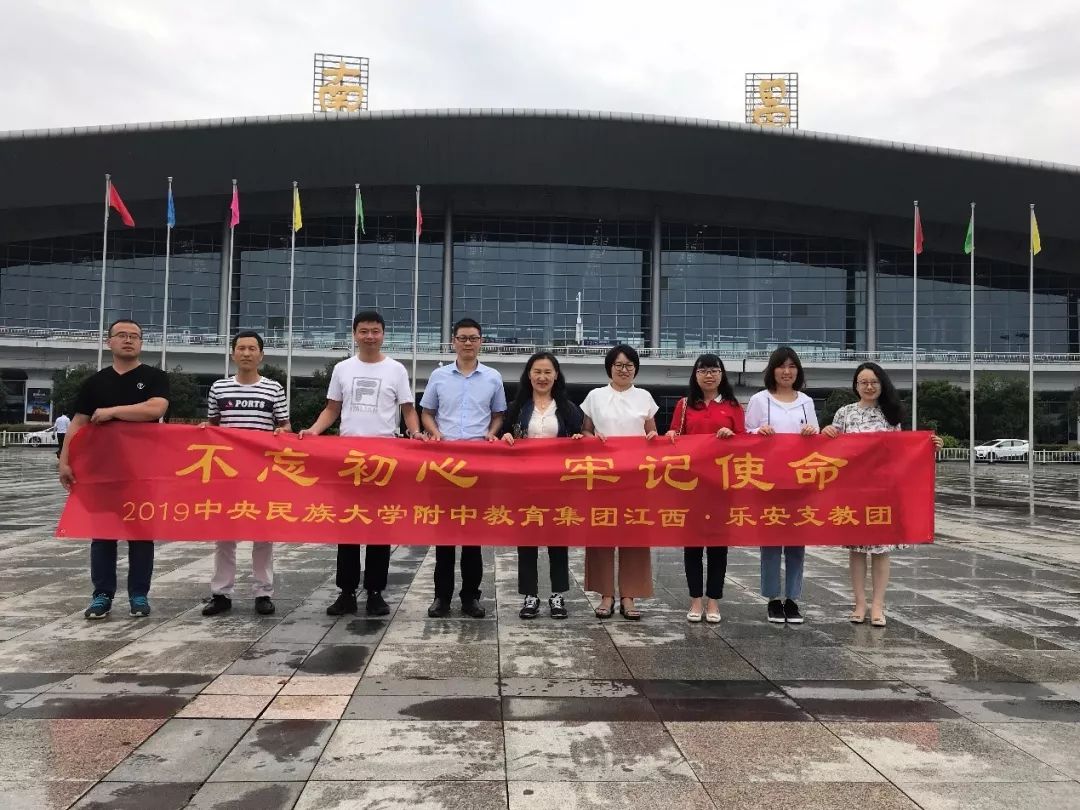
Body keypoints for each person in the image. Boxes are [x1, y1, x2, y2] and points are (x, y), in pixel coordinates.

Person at [301, 310, 426, 617]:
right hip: (349, 459)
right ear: (355, 334)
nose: (370, 336)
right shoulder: (343, 369)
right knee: (348, 526)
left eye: (375, 331)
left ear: (383, 334)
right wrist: (314, 431)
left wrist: (415, 433)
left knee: (379, 527)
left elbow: (408, 409)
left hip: (384, 458)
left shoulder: (396, 369)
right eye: (364, 331)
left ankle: (375, 592)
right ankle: (346, 592)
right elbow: (332, 409)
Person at [59, 319, 170, 620]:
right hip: (102, 470)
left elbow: (155, 409)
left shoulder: (155, 377)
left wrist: (112, 412)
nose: (128, 340)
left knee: (141, 533)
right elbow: (78, 423)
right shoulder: (95, 383)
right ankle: (102, 594)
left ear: (141, 343)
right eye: (122, 335)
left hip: (142, 470)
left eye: (135, 336)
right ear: (109, 342)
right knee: (103, 534)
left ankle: (139, 594)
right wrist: (64, 461)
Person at [822, 362, 943, 627]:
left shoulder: (891, 414)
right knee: (856, 550)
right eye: (863, 382)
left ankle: (877, 605)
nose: (869, 387)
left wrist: (928, 447)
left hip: (883, 491)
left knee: (880, 550)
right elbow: (830, 449)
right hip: (853, 491)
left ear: (882, 384)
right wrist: (826, 432)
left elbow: (902, 451)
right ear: (856, 386)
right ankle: (859, 603)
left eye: (874, 382)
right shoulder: (845, 413)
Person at [420, 317, 506, 618]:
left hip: (477, 463)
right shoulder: (439, 376)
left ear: (481, 341)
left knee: (473, 536)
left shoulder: (493, 377)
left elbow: (498, 414)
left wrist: (492, 433)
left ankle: (471, 597)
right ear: (453, 341)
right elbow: (427, 412)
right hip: (444, 464)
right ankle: (441, 597)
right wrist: (435, 433)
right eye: (462, 338)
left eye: (473, 338)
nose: (468, 343)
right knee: (443, 536)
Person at [201, 330, 290, 617]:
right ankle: (221, 593)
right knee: (224, 535)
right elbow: (213, 425)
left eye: (252, 348)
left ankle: (263, 592)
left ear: (261, 355)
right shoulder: (219, 388)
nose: (247, 353)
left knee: (263, 534)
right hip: (227, 473)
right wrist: (204, 430)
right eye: (241, 348)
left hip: (261, 474)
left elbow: (285, 426)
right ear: (233, 353)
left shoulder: (273, 389)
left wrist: (282, 433)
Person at [500, 351, 584, 619]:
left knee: (558, 540)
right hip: (525, 485)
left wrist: (579, 439)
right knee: (527, 541)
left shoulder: (568, 408)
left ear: (556, 375)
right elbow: (503, 434)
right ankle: (530, 595)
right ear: (529, 375)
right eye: (537, 371)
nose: (542, 377)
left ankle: (557, 595)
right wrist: (506, 437)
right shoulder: (516, 407)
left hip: (559, 486)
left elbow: (582, 438)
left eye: (548, 372)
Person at [581, 344, 658, 620]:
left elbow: (652, 433)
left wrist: (653, 438)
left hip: (635, 477)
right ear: (609, 368)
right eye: (618, 365)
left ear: (635, 369)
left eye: (629, 365)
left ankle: (629, 595)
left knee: (634, 534)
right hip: (602, 476)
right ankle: (606, 594)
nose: (624, 370)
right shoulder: (595, 396)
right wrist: (593, 439)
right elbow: (585, 431)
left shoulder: (645, 397)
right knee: (601, 533)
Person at [665, 353, 744, 624]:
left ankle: (713, 601)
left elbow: (745, 443)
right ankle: (695, 600)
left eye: (714, 370)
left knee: (718, 545)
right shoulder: (685, 404)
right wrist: (671, 435)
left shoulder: (733, 406)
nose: (709, 375)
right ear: (695, 375)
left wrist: (731, 437)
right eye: (703, 370)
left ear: (722, 374)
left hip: (722, 485)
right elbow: (675, 436)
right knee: (693, 545)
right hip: (692, 485)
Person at [744, 346, 818, 625]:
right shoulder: (759, 400)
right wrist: (757, 432)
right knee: (772, 542)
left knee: (797, 543)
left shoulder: (806, 402)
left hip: (800, 483)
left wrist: (812, 432)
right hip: (769, 483)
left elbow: (817, 439)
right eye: (781, 366)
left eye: (792, 366)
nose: (787, 372)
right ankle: (773, 599)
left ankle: (793, 599)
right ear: (772, 370)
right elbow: (745, 435)